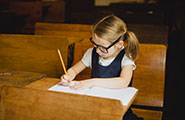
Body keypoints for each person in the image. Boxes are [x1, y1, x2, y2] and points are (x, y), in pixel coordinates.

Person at [60, 15, 143, 120]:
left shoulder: (126, 57)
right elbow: (74, 70)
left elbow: (123, 82)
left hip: (119, 111)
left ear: (119, 44)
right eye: (95, 45)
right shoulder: (92, 53)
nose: (97, 51)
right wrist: (68, 76)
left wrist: (92, 82)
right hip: (96, 108)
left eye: (102, 48)